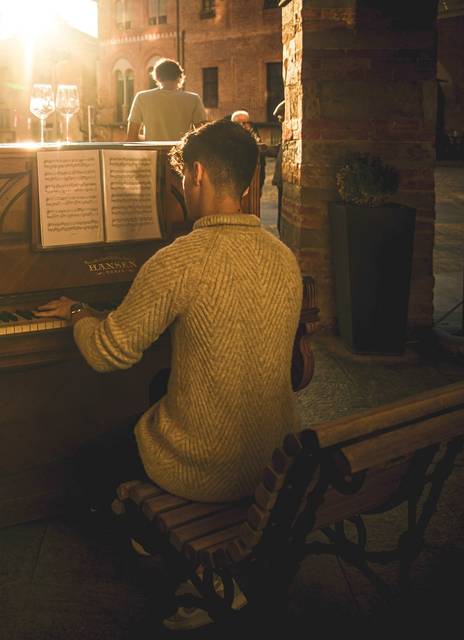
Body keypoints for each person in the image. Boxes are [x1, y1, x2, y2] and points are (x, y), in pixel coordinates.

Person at [37, 119, 302, 630]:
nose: (181, 188)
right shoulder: (283, 257)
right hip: (274, 460)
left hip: (207, 471)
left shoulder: (180, 259)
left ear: (197, 174)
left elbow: (108, 352)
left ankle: (183, 558)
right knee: (159, 389)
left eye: (182, 177)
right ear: (249, 183)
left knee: (90, 463)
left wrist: (77, 314)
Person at [126, 58, 206, 141]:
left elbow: (131, 137)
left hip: (153, 152)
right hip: (179, 153)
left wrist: (148, 139)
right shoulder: (193, 99)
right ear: (180, 77)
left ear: (157, 77)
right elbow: (202, 136)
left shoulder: (141, 97)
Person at [272, 100, 286, 233]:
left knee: (283, 212)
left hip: (284, 180)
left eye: (281, 117)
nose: (280, 120)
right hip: (281, 180)